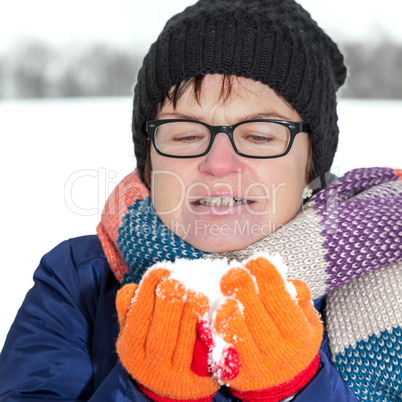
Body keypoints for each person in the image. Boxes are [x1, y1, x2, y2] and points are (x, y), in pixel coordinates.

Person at [1, 0, 401, 400]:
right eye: (186, 135)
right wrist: (147, 392)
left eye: (260, 136)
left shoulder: (387, 277)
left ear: (311, 165)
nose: (219, 163)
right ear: (151, 161)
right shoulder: (77, 282)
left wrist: (298, 390)